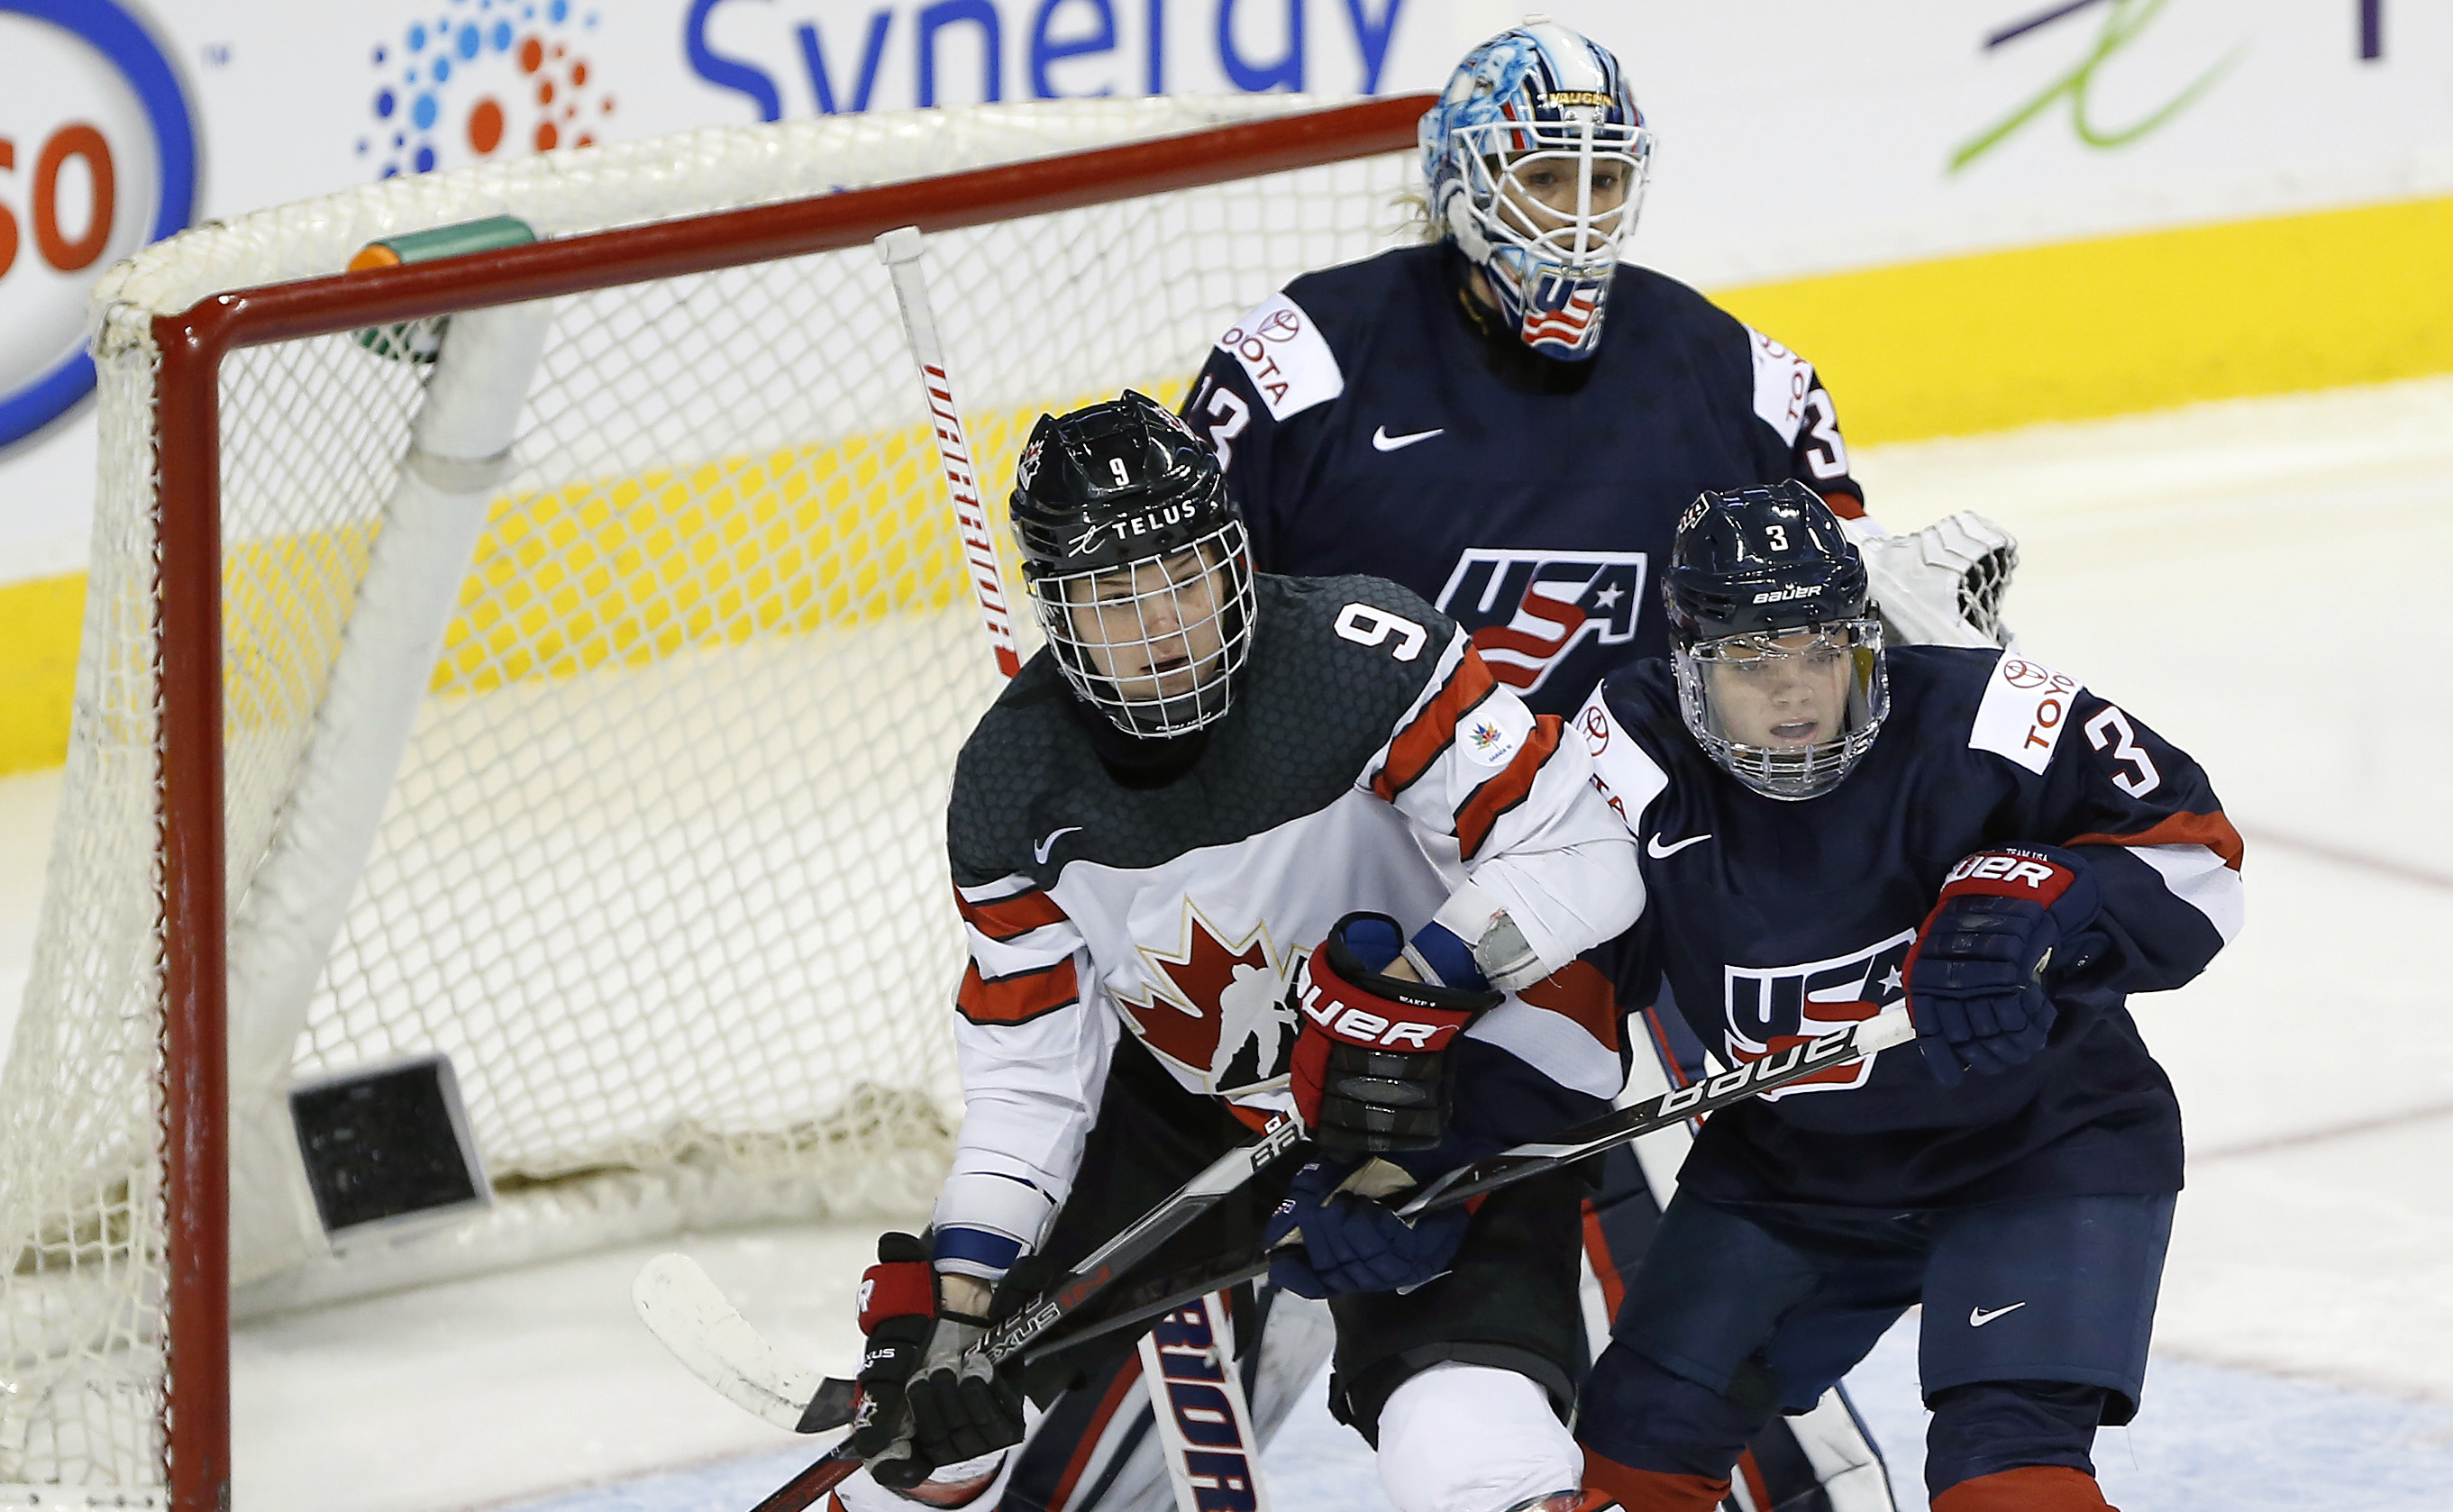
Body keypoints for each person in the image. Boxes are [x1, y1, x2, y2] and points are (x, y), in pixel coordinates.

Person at [1183, 19, 1992, 1507]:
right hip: (1360, 904)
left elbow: (1829, 649)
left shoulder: (1738, 379)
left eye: (1601, 179)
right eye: (1543, 175)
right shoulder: (1300, 361)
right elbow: (1194, 642)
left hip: (1635, 879)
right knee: (1266, 1242)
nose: (1575, 214)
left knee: (1695, 1243)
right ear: (1459, 177)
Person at [828, 390, 1643, 1512]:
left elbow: (1584, 855)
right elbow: (1028, 1079)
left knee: (1467, 1448)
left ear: (1234, 560)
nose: (1163, 624)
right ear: (1056, 609)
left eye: (1183, 575)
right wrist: (963, 1296)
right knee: (917, 1449)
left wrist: (1417, 988)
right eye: (1114, 597)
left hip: (1430, 1094)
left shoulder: (1363, 656)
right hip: (1195, 1102)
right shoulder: (1010, 786)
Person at [1567, 481, 2242, 1512]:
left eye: (1821, 652)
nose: (1794, 693)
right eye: (1751, 661)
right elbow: (1553, 962)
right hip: (1790, 1164)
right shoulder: (1625, 747)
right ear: (1691, 666)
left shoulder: (1995, 711)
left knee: (2006, 1482)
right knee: (1629, 1458)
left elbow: (2198, 859)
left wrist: (2044, 894)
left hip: (2041, 1143)